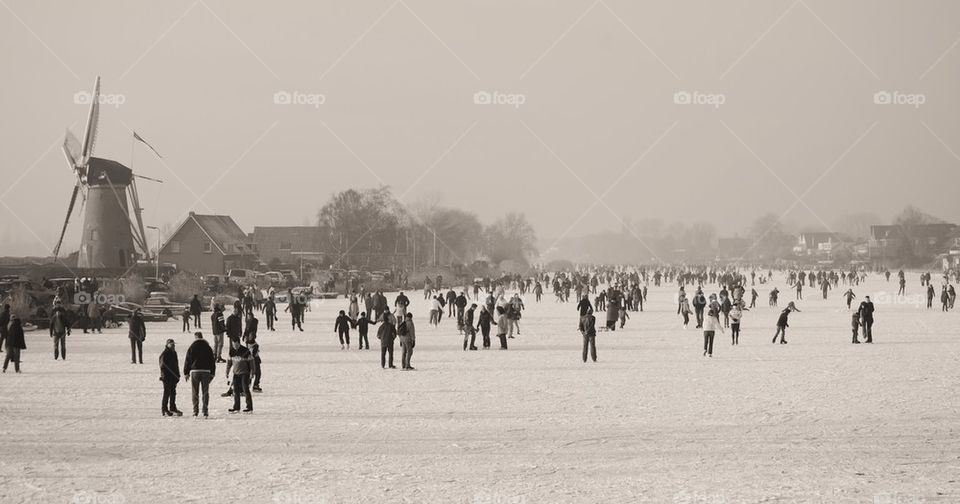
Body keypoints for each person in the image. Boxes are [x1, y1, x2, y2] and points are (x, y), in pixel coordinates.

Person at [183, 332, 215, 418]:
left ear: (195, 337)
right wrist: (212, 373)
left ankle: (195, 412)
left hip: (195, 371)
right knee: (205, 392)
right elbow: (212, 360)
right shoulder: (208, 347)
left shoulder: (192, 347)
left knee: (195, 392)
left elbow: (187, 360)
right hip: (206, 371)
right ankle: (205, 412)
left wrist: (186, 372)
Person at [227, 339, 255, 413]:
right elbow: (229, 362)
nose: (234, 346)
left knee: (245, 389)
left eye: (235, 344)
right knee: (235, 391)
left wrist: (252, 372)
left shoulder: (245, 351)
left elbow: (252, 363)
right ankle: (236, 407)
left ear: (239, 343)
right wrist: (227, 371)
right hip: (236, 374)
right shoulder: (232, 351)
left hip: (245, 373)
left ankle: (249, 407)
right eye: (233, 344)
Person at [159, 339, 183, 416]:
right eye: (172, 344)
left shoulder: (174, 353)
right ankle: (164, 409)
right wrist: (164, 376)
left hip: (173, 377)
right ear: (167, 345)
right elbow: (162, 366)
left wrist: (178, 375)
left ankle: (172, 407)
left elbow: (176, 365)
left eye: (174, 344)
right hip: (166, 377)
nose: (173, 346)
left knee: (173, 393)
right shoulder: (164, 354)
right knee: (167, 393)